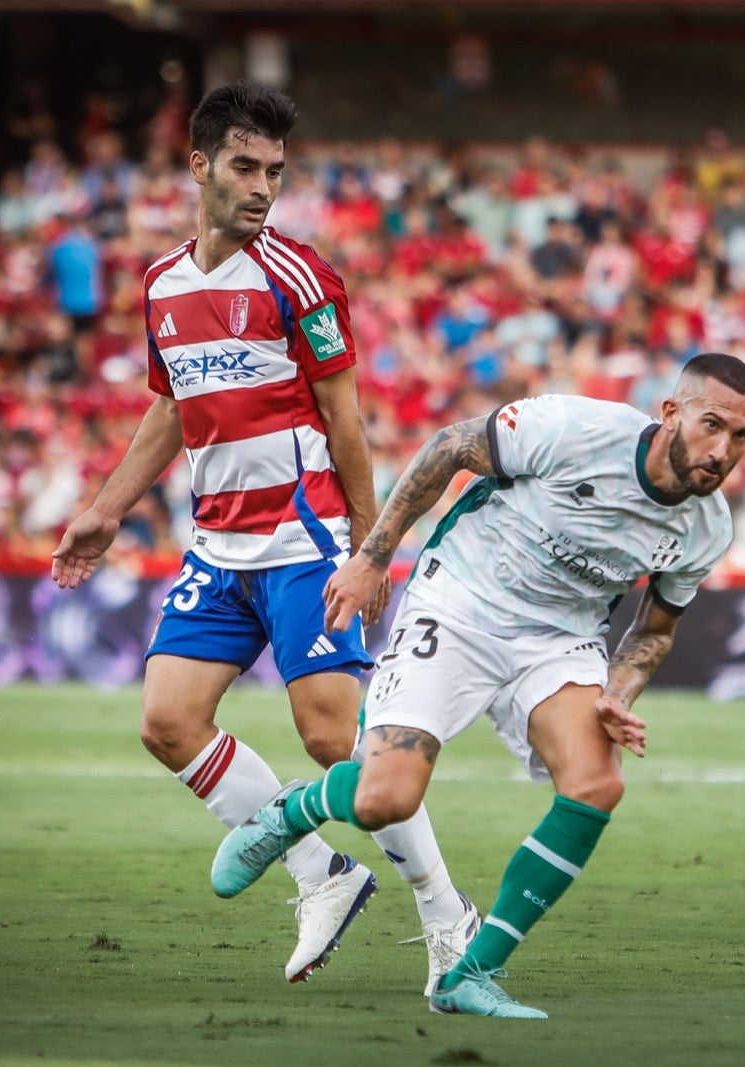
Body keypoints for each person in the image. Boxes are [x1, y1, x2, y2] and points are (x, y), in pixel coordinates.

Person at [49, 81, 478, 990]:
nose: (262, 186)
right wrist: (108, 506)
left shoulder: (301, 277)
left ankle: (449, 914)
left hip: (304, 535)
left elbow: (346, 419)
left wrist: (370, 548)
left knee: (333, 740)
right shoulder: (163, 285)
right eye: (245, 166)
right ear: (200, 165)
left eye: (275, 171)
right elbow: (172, 407)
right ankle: (320, 870)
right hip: (217, 545)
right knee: (168, 722)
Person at [210, 353, 745, 1018]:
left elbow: (655, 628)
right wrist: (371, 558)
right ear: (670, 412)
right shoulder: (573, 428)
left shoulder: (708, 527)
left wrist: (618, 693)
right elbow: (449, 448)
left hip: (559, 642)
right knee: (385, 797)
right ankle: (288, 814)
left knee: (598, 781)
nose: (723, 450)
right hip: (461, 601)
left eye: (740, 437)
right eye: (713, 425)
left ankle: (469, 971)